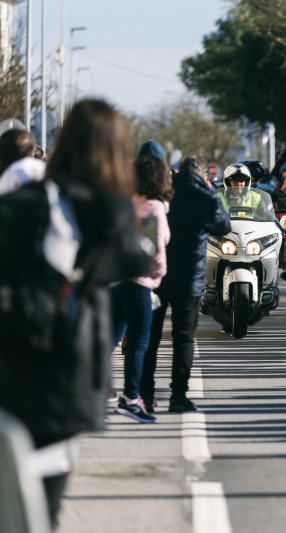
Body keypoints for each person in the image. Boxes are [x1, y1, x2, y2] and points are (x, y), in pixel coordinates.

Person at [0, 99, 153, 524]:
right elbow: (138, 255)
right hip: (62, 371)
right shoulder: (107, 209)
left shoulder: (26, 199)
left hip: (9, 356)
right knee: (40, 507)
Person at [140, 155, 231, 413]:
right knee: (183, 339)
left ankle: (145, 395)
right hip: (190, 279)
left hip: (157, 275)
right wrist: (211, 193)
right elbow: (223, 226)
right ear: (204, 176)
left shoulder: (164, 192)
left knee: (151, 338)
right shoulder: (206, 197)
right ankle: (178, 397)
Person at [112, 155, 172, 423]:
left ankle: (94, 389)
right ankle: (131, 398)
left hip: (117, 278)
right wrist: (158, 274)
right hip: (139, 281)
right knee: (138, 343)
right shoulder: (153, 207)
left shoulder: (127, 202)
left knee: (111, 338)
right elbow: (154, 249)